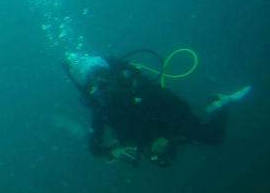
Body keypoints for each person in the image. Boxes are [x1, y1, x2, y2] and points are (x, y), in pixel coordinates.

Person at [63, 53, 250, 166]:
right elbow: (94, 147)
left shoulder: (136, 90)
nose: (101, 88)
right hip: (164, 129)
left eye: (103, 81)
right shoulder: (103, 107)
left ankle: (220, 103)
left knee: (214, 138)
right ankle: (220, 103)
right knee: (212, 139)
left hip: (170, 120)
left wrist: (114, 152)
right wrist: (114, 152)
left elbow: (180, 105)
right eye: (96, 85)